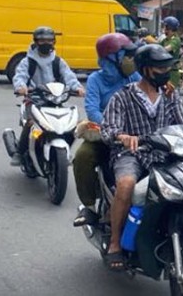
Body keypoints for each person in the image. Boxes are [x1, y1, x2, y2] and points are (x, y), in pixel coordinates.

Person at [100, 44, 183, 271]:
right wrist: (122, 137)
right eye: (160, 68)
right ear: (145, 70)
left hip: (166, 154)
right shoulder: (123, 97)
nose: (165, 73)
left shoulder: (170, 94)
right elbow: (108, 130)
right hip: (132, 155)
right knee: (126, 185)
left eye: (167, 68)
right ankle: (115, 243)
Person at [72, 33, 141, 227]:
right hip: (105, 135)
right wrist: (113, 129)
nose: (130, 60)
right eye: (126, 55)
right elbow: (92, 109)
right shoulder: (96, 79)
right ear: (111, 57)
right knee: (82, 156)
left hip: (135, 136)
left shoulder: (135, 76)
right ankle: (89, 207)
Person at [10, 26, 85, 166]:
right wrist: (21, 87)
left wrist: (78, 88)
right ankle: (19, 153)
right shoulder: (27, 61)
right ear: (36, 42)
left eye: (49, 40)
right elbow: (19, 76)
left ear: (54, 42)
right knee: (31, 124)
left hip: (56, 99)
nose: (46, 43)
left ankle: (65, 151)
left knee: (71, 124)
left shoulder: (58, 62)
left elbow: (69, 77)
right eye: (42, 40)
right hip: (34, 100)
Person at [160, 16, 182, 86]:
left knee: (170, 94)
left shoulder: (176, 40)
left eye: (165, 26)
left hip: (172, 72)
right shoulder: (165, 39)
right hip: (164, 69)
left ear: (169, 28)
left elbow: (167, 49)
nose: (163, 28)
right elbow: (157, 46)